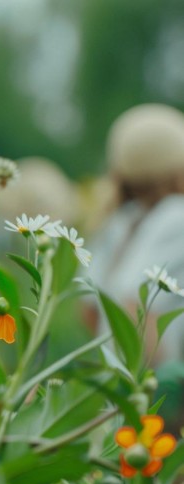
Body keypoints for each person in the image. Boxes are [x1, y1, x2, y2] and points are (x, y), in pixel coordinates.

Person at [85, 103, 184, 430]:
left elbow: (89, 310)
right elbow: (134, 304)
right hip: (154, 408)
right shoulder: (176, 216)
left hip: (116, 402)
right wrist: (165, 391)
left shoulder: (119, 222)